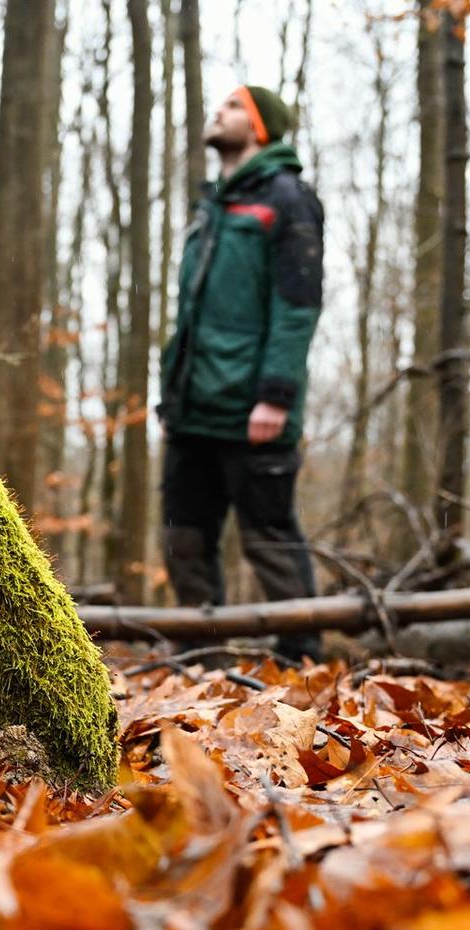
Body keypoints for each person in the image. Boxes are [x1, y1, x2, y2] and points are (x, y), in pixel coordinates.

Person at [156, 84, 324, 661]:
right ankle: (200, 662)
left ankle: (304, 664)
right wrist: (171, 393)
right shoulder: (214, 205)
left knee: (269, 538)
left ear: (258, 126)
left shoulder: (288, 198)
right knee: (184, 539)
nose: (216, 113)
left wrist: (275, 395)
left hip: (253, 406)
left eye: (231, 107)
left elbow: (297, 304)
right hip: (192, 406)